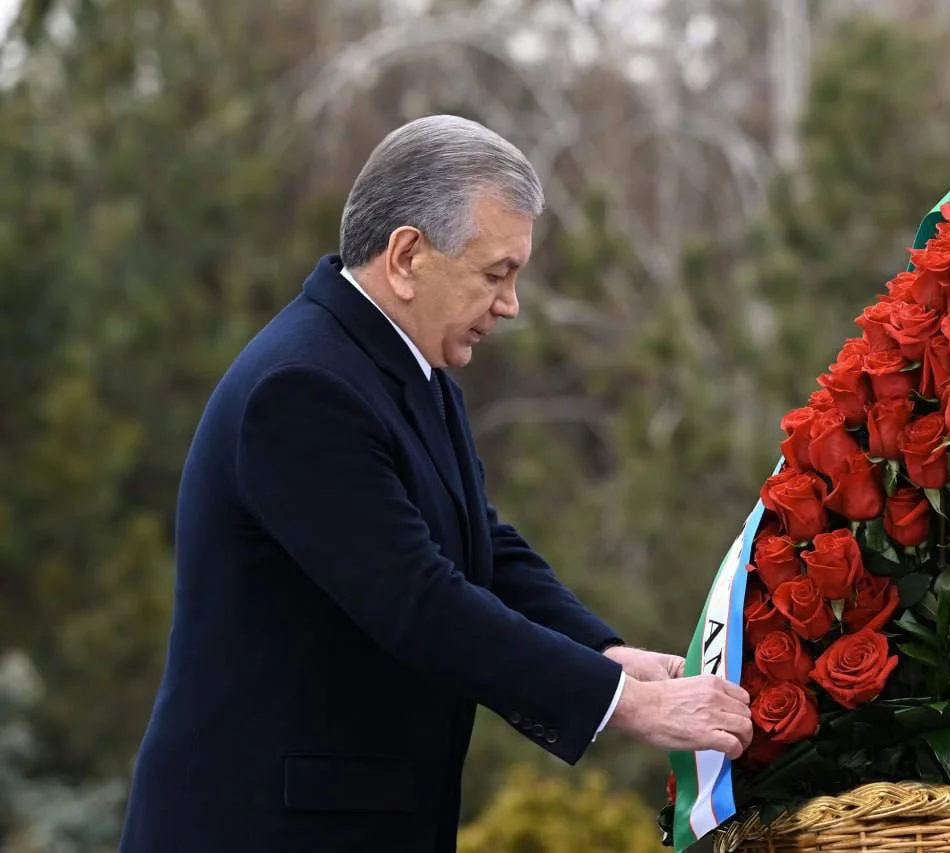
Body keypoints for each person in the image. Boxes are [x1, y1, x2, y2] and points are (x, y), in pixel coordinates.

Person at [118, 115, 753, 853]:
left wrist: (604, 652)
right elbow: (420, 601)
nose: (511, 304)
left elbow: (483, 548)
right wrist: (627, 705)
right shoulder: (301, 389)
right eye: (497, 273)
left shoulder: (407, 368)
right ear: (408, 256)